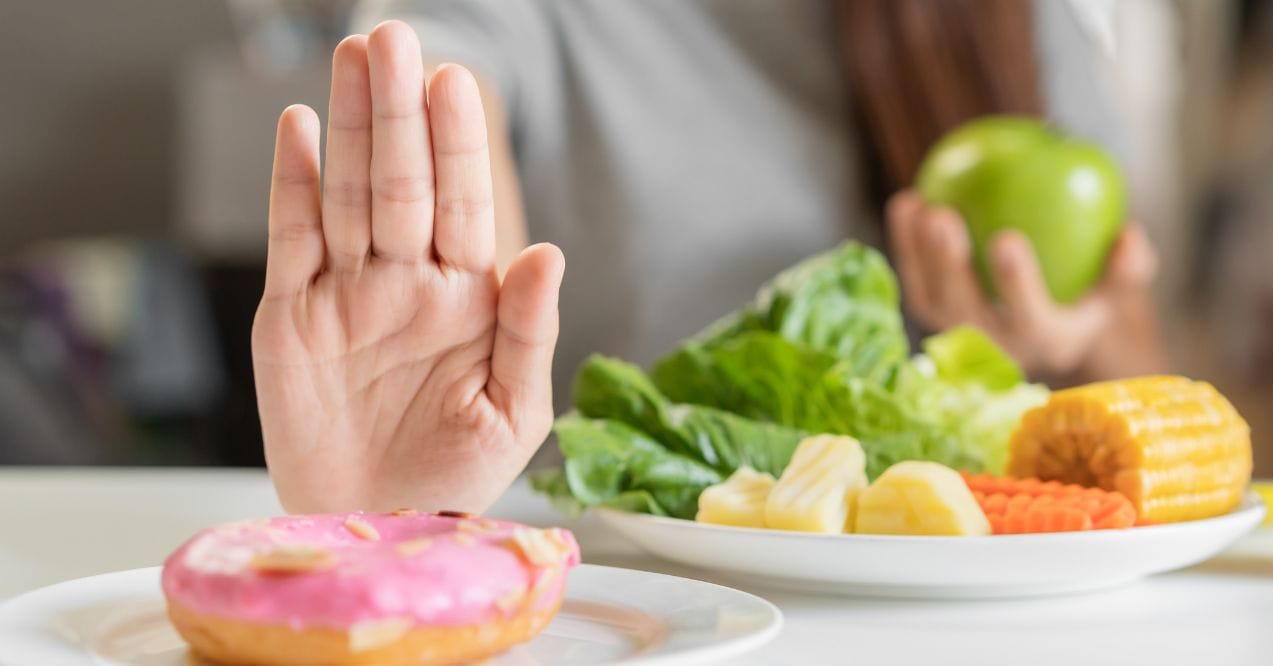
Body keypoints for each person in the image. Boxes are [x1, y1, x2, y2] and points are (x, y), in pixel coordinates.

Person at [257, 5, 1169, 513]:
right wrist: (409, 480)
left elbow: (1137, 365)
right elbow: (440, 85)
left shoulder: (1013, 22)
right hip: (645, 597)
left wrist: (1065, 340)